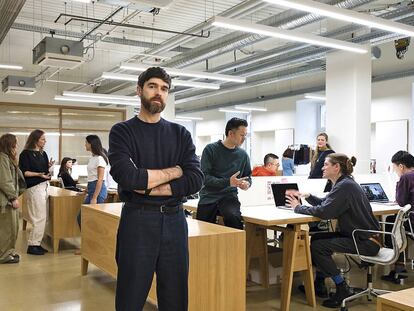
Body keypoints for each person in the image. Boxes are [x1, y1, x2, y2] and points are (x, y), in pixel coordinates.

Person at [108, 67, 203, 311]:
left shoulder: (180, 133)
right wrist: (176, 170)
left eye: (164, 89)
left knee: (175, 296)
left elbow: (195, 179)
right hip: (137, 220)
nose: (158, 93)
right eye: (152, 86)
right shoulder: (122, 131)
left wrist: (149, 185)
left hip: (175, 220)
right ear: (139, 90)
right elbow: (128, 177)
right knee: (131, 295)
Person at [286, 153, 380, 308]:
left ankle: (342, 287)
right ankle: (319, 283)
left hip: (365, 242)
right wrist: (308, 196)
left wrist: (298, 207)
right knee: (316, 239)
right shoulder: (345, 183)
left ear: (336, 167)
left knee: (318, 246)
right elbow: (327, 203)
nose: (322, 167)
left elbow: (324, 212)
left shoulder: (345, 186)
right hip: (362, 237)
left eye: (326, 164)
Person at [196, 117, 252, 230]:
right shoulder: (210, 149)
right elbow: (204, 177)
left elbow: (248, 177)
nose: (244, 138)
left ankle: (236, 247)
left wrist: (246, 184)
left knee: (234, 218)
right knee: (203, 228)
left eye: (245, 135)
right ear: (231, 133)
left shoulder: (243, 155)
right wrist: (228, 182)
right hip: (209, 197)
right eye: (242, 135)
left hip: (229, 197)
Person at [19, 129, 54, 255]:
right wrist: (38, 174)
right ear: (35, 139)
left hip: (44, 186)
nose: (45, 141)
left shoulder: (42, 154)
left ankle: (37, 243)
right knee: (38, 217)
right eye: (43, 139)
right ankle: (32, 245)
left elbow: (45, 171)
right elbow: (24, 172)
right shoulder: (25, 154)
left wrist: (48, 167)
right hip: (34, 188)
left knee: (43, 217)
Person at [381, 150, 414, 283]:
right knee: (395, 222)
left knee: (391, 222)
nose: (396, 172)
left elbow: (400, 202)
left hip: (412, 220)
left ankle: (398, 267)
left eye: (395, 169)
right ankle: (399, 267)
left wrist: (398, 183)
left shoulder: (406, 177)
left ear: (401, 166)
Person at [0, 134, 26, 264]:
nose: (17, 144)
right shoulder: (2, 158)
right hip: (6, 201)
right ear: (10, 144)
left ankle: (8, 252)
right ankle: (3, 255)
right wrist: (12, 197)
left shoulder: (8, 158)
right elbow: (5, 181)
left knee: (13, 228)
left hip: (9, 199)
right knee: (7, 229)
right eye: (16, 142)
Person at [77, 135, 108, 229]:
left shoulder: (100, 159)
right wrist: (85, 191)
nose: (85, 144)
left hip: (97, 192)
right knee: (82, 218)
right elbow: (91, 177)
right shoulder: (92, 158)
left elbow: (100, 180)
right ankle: (88, 241)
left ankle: (94, 242)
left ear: (91, 144)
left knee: (93, 220)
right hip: (91, 190)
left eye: (86, 142)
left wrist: (94, 198)